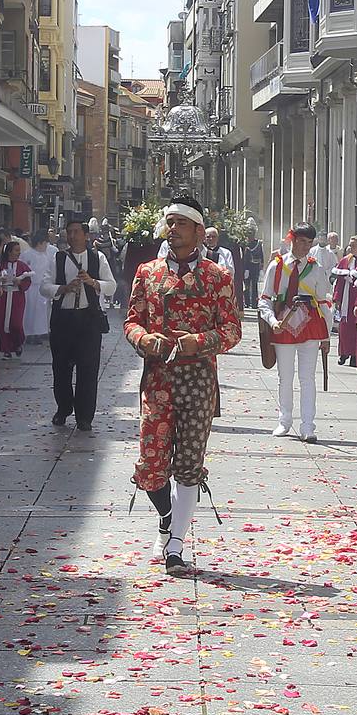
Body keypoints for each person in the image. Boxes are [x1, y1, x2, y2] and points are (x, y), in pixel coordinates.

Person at [126, 195, 240, 575]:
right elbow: (131, 321)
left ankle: (175, 544)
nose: (171, 230)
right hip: (158, 379)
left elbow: (232, 329)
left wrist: (199, 342)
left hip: (198, 380)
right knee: (150, 466)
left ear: (197, 231)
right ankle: (167, 515)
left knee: (189, 464)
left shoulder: (217, 276)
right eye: (168, 223)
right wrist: (144, 340)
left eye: (180, 223)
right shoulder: (148, 273)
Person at [259, 223, 333, 443]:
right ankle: (285, 421)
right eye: (301, 242)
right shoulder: (277, 266)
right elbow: (265, 300)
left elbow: (324, 303)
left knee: (307, 378)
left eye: (309, 243)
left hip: (310, 327)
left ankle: (308, 426)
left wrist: (327, 336)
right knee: (285, 377)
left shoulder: (317, 267)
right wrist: (272, 321)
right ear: (291, 239)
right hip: (283, 326)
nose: (305, 247)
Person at [44, 218, 117, 431]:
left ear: (86, 235)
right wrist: (63, 289)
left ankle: (85, 416)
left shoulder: (97, 257)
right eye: (69, 232)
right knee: (61, 368)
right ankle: (63, 408)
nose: (73, 236)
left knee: (88, 369)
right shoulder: (58, 258)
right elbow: (44, 286)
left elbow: (111, 286)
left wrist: (94, 283)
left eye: (77, 231)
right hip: (63, 320)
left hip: (89, 320)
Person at [0, 238, 32, 358]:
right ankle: (6, 348)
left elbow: (28, 279)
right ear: (9, 252)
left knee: (16, 324)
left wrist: (19, 283)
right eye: (16, 250)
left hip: (17, 297)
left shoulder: (22, 266)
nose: (19, 252)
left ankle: (18, 343)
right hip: (3, 296)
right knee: (2, 323)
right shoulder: (1, 265)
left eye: (19, 250)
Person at [330, 234, 357, 366]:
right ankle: (344, 352)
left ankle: (355, 355)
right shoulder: (346, 260)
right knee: (344, 327)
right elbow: (339, 281)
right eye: (350, 245)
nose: (350, 247)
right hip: (346, 297)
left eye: (353, 245)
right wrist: (337, 298)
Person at [21, 230, 55, 345]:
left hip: (41, 287)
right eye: (45, 243)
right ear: (40, 243)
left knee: (40, 312)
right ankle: (28, 333)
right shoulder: (27, 254)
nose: (46, 246)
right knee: (29, 311)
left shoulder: (45, 256)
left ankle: (38, 332)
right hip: (30, 287)